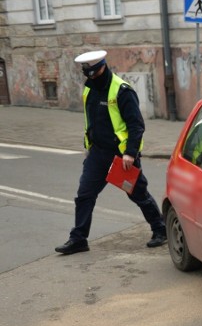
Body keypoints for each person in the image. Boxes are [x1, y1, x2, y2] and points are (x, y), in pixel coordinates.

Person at [55, 50, 166, 255]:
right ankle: (78, 238)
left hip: (121, 157)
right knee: (84, 195)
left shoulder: (122, 91)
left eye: (93, 73)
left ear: (102, 67)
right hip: (97, 154)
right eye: (86, 73)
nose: (90, 77)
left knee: (138, 194)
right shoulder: (89, 89)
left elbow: (136, 125)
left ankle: (160, 230)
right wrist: (89, 147)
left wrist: (130, 153)